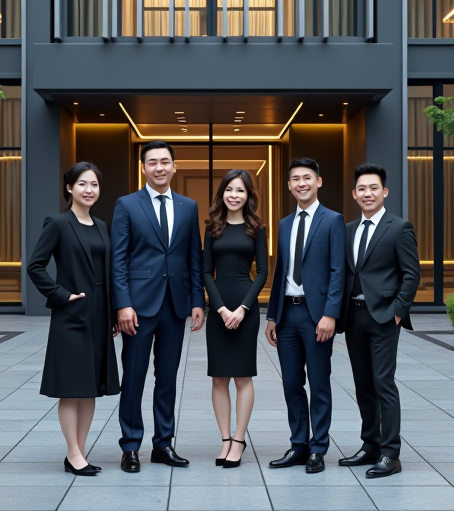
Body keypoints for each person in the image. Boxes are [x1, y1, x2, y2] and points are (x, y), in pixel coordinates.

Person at [111, 141, 205, 473]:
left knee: (167, 378)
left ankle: (163, 444)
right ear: (143, 168)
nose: (160, 167)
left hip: (175, 305)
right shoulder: (126, 205)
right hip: (137, 307)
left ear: (174, 167)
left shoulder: (188, 206)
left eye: (165, 161)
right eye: (152, 162)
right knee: (134, 378)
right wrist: (123, 304)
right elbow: (118, 259)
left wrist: (197, 301)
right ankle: (130, 446)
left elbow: (194, 257)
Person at [27, 162, 120, 477]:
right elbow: (35, 266)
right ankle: (73, 453)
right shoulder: (58, 223)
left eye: (94, 184)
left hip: (99, 314)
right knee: (72, 387)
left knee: (90, 388)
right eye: (82, 184)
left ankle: (79, 452)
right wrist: (61, 295)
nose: (89, 190)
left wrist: (112, 312)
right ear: (69, 188)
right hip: (71, 314)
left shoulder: (102, 226)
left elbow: (108, 272)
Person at [337, 163, 420, 478]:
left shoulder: (399, 227)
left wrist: (398, 311)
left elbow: (411, 274)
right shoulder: (347, 230)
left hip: (384, 316)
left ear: (384, 191)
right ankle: (370, 444)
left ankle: (390, 453)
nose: (367, 193)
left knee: (383, 382)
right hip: (354, 316)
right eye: (362, 188)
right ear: (354, 194)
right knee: (362, 384)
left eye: (373, 188)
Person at [264, 157, 345, 474]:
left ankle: (318, 448)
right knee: (291, 384)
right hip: (287, 315)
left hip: (317, 316)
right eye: (296, 179)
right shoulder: (284, 224)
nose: (302, 183)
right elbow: (280, 271)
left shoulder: (332, 220)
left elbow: (338, 271)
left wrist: (330, 314)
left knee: (319, 383)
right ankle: (298, 445)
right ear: (289, 185)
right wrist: (272, 316)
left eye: (307, 177)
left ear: (318, 182)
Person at [203, 170, 269, 468]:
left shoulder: (257, 228)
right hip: (219, 308)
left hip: (246, 308)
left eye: (240, 190)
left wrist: (242, 308)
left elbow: (263, 272)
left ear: (248, 195)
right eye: (229, 189)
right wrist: (219, 309)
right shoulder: (212, 227)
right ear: (222, 193)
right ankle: (225, 440)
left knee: (243, 377)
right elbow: (206, 272)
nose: (234, 195)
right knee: (219, 377)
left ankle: (239, 440)